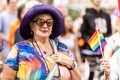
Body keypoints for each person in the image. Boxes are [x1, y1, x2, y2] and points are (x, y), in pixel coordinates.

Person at [2, 4, 81, 80]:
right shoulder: (19, 49)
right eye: (40, 22)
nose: (45, 26)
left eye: (49, 22)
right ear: (32, 26)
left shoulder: (63, 49)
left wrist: (70, 63)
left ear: (52, 26)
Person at [80, 0, 112, 79]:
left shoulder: (106, 15)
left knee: (103, 73)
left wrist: (106, 43)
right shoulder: (87, 15)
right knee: (91, 74)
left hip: (104, 51)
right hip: (91, 50)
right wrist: (93, 43)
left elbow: (109, 32)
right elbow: (83, 33)